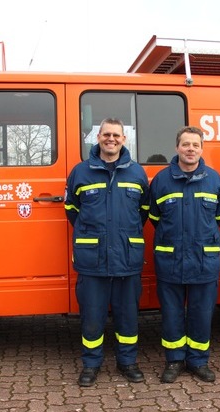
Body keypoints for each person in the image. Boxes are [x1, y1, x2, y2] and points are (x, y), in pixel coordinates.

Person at [64, 118, 150, 387]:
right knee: (92, 317)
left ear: (124, 139)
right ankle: (91, 365)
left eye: (116, 135)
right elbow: (72, 209)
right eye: (106, 134)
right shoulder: (80, 172)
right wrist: (92, 235)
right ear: (98, 137)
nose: (111, 139)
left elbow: (144, 211)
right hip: (93, 259)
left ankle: (127, 362)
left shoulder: (137, 173)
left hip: (127, 258)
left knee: (128, 317)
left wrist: (123, 235)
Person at [148, 126, 220, 383]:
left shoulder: (214, 180)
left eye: (195, 145)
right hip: (170, 260)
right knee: (171, 315)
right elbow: (154, 217)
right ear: (177, 147)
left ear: (202, 149)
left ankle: (198, 361)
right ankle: (174, 361)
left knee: (201, 314)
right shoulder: (161, 180)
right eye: (186, 144)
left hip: (204, 261)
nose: (190, 149)